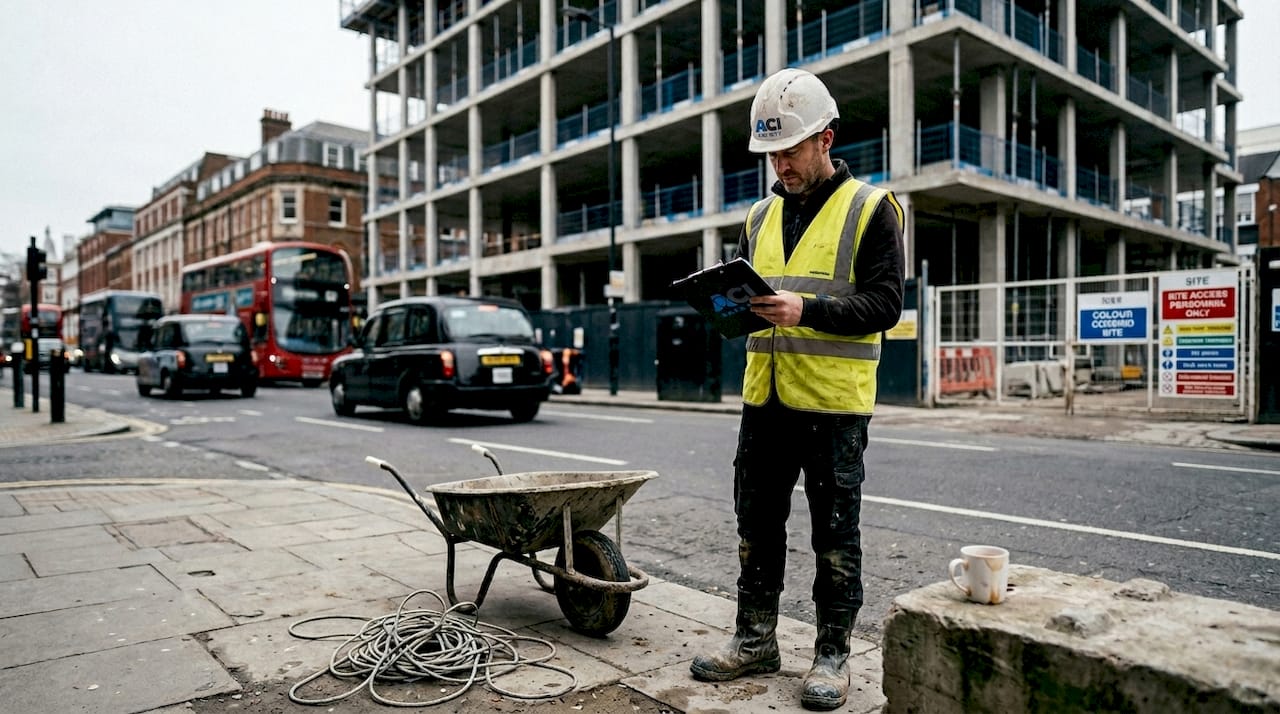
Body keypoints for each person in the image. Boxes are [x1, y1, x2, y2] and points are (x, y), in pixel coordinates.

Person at [689, 68, 904, 711]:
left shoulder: (871, 208)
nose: (780, 165)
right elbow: (747, 303)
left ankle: (832, 656)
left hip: (833, 407)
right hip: (765, 400)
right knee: (756, 525)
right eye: (771, 154)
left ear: (825, 139)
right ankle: (755, 640)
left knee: (835, 535)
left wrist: (803, 310)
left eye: (789, 150)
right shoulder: (759, 216)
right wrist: (724, 307)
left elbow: (886, 304)